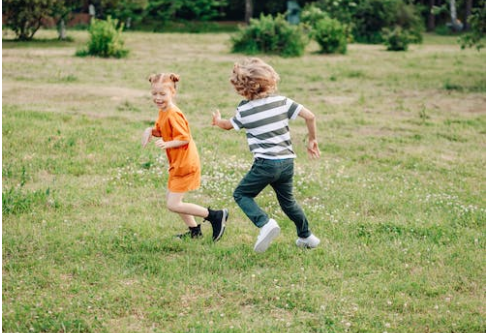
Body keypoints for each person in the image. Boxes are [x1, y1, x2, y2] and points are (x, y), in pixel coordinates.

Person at [212, 58, 321, 253]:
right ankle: (306, 236)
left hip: (265, 164)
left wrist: (218, 120)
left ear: (241, 88)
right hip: (287, 162)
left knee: (242, 194)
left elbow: (228, 126)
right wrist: (312, 139)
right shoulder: (282, 102)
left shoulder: (245, 110)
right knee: (288, 202)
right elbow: (310, 116)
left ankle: (265, 223)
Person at [142, 72, 228, 241]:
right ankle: (195, 231)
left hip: (185, 163)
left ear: (172, 92)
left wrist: (167, 144)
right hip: (178, 162)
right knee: (173, 200)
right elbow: (163, 130)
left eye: (162, 94)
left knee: (173, 204)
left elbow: (184, 138)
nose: (158, 98)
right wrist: (150, 131)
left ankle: (215, 216)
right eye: (154, 94)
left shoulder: (174, 113)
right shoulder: (163, 111)